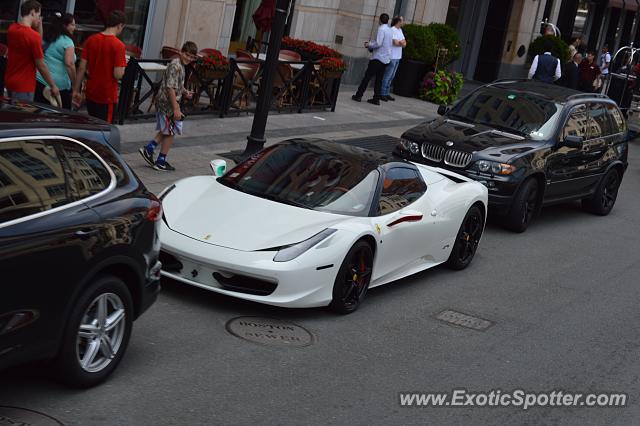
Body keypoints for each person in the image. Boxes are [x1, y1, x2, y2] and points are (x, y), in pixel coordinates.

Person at [138, 42, 198, 172]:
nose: (188, 58)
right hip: (167, 103)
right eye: (187, 55)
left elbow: (176, 85)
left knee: (169, 129)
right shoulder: (176, 65)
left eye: (192, 57)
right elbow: (170, 87)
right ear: (181, 52)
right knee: (171, 131)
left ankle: (150, 149)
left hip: (168, 102)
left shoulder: (181, 65)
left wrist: (185, 91)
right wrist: (176, 108)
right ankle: (160, 160)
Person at [72, 10, 127, 123]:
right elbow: (118, 74)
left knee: (92, 124)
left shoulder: (91, 40)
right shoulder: (119, 46)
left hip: (91, 91)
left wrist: (75, 90)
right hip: (107, 95)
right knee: (104, 130)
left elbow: (82, 67)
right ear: (120, 25)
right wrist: (123, 67)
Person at [4, 0, 59, 102]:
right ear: (33, 12)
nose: (39, 18)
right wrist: (53, 85)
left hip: (10, 81)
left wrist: (39, 24)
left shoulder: (12, 29)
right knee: (22, 117)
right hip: (24, 87)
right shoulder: (33, 36)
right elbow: (41, 65)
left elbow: (37, 42)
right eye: (39, 15)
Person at [35, 13, 76, 109]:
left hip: (40, 82)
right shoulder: (67, 41)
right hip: (57, 88)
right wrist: (75, 84)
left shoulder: (48, 37)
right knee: (63, 117)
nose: (75, 27)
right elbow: (69, 64)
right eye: (73, 25)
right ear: (65, 26)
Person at [352, 13, 393, 105]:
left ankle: (358, 95)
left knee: (367, 77)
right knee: (379, 79)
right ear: (387, 20)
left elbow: (378, 43)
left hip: (378, 58)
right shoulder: (390, 30)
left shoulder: (381, 29)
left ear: (380, 20)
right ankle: (376, 99)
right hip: (386, 59)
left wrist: (369, 44)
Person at [380, 15, 406, 102]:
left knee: (392, 76)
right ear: (398, 21)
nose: (403, 22)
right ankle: (382, 93)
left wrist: (401, 42)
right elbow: (395, 43)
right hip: (392, 57)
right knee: (387, 76)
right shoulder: (392, 30)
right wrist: (401, 42)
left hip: (398, 57)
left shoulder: (400, 30)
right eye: (402, 20)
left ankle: (386, 93)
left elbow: (405, 43)